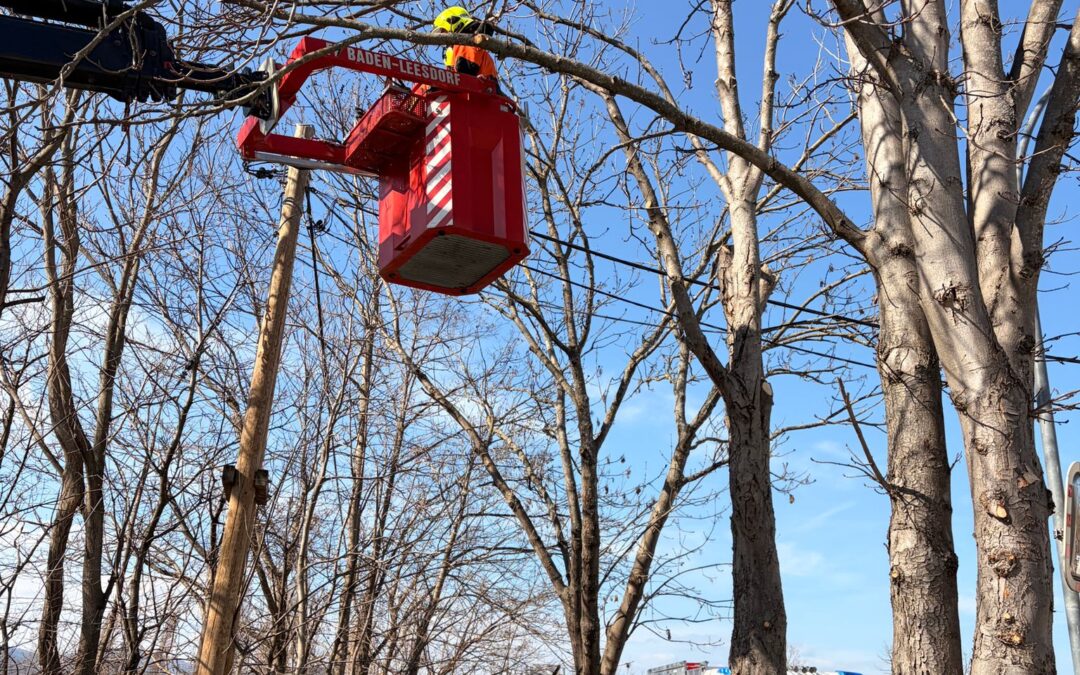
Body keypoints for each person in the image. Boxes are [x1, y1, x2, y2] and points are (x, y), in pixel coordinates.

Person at [432, 6, 498, 85]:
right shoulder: (454, 52)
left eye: (443, 31)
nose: (443, 38)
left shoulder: (467, 45)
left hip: (483, 88)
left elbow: (465, 72)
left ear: (453, 23)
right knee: (426, 85)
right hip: (469, 90)